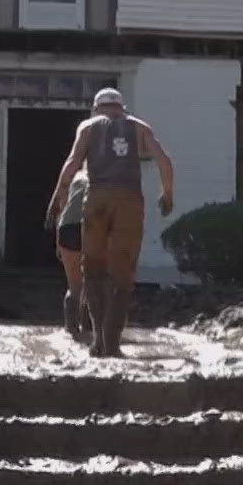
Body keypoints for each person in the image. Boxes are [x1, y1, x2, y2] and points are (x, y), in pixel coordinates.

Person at [45, 88, 174, 357]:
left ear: (96, 108)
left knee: (92, 268)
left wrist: (59, 196)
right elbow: (164, 160)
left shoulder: (88, 127)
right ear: (122, 108)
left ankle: (98, 341)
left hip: (97, 198)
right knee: (122, 271)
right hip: (129, 199)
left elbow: (72, 163)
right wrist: (167, 193)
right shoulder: (140, 127)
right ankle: (113, 343)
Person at [55, 169, 89, 342]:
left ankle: (71, 330)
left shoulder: (74, 179)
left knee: (74, 284)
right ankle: (88, 329)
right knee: (92, 281)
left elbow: (62, 209)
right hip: (87, 227)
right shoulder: (102, 177)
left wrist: (57, 245)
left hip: (66, 229)